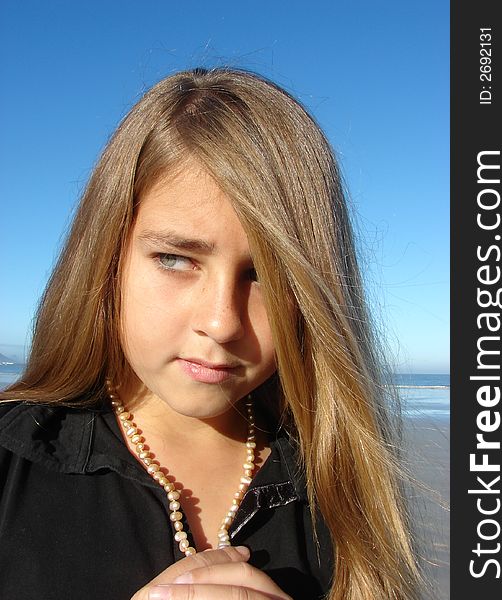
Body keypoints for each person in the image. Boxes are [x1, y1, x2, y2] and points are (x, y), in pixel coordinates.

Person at [0, 67, 420, 599]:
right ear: (107, 260)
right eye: (175, 259)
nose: (222, 322)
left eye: (267, 276)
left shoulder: (340, 488)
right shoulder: (13, 462)